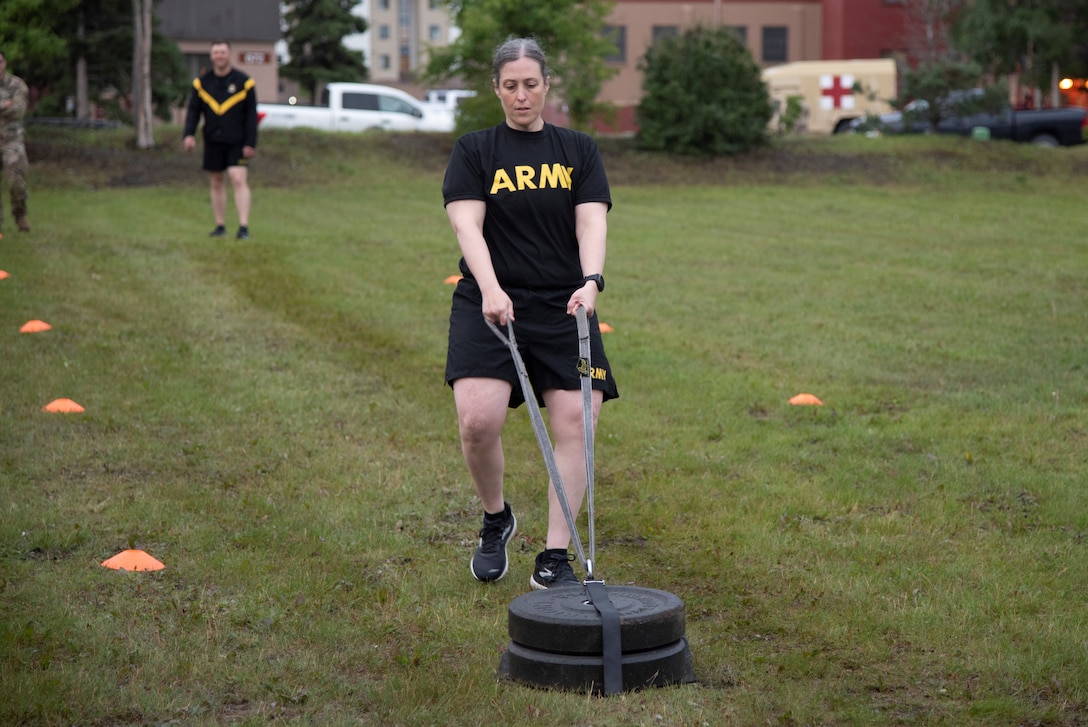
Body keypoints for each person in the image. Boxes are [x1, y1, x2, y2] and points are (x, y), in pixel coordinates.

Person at [442, 37, 618, 590]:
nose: (522, 96)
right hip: (489, 300)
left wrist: (591, 282)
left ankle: (553, 559)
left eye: (532, 84)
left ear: (546, 85)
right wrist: (492, 290)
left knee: (578, 420)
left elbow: (591, 222)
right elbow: (466, 224)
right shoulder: (475, 150)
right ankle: (496, 518)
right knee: (477, 421)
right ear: (496, 88)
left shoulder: (578, 150)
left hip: (562, 303)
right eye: (511, 86)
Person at [183, 40, 258, 240]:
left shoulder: (244, 82)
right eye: (216, 52)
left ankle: (243, 227)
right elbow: (193, 111)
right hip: (212, 139)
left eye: (223, 52)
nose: (219, 56)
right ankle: (220, 226)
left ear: (229, 54)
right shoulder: (202, 83)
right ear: (211, 56)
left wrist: (251, 142)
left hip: (237, 141)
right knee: (216, 181)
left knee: (237, 177)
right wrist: (188, 134)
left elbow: (252, 115)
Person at [0, 50, 30, 234]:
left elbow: (18, 110)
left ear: (5, 63)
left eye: (0, 61)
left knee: (16, 182)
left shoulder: (17, 84)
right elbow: (10, 107)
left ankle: (20, 214)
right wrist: (5, 104)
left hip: (12, 140)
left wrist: (9, 106)